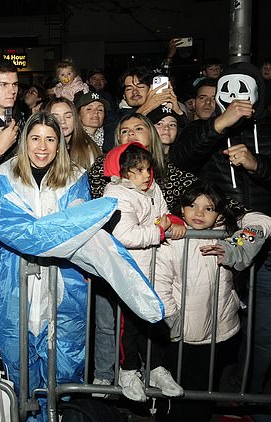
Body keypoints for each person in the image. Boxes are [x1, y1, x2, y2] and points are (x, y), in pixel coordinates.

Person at [0, 112, 164, 419]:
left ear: (60, 144)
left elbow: (83, 232)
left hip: (64, 286)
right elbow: (14, 226)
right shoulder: (3, 175)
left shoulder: (74, 176)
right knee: (19, 370)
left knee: (64, 369)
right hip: (14, 286)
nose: (42, 147)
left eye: (50, 139)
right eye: (35, 138)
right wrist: (53, 231)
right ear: (23, 141)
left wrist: (48, 231)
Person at [170, 62, 271, 398]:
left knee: (262, 335)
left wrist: (258, 165)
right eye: (229, 90)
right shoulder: (206, 130)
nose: (238, 98)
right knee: (218, 325)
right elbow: (182, 158)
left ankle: (249, 396)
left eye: (246, 89)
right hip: (218, 246)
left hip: (265, 248)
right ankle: (212, 393)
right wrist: (218, 125)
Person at [155, 181, 271, 422]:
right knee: (173, 397)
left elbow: (263, 224)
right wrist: (173, 324)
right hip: (180, 335)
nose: (199, 213)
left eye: (208, 208)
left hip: (217, 335)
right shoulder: (171, 240)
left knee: (203, 397)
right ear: (182, 209)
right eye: (193, 206)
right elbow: (160, 285)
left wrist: (235, 249)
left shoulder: (226, 234)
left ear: (218, 214)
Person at [102, 142, 185, 402]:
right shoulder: (115, 193)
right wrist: (159, 231)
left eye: (148, 169)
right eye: (138, 171)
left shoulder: (152, 188)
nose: (146, 175)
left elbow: (163, 214)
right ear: (124, 172)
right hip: (128, 271)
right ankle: (128, 372)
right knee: (129, 325)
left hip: (152, 268)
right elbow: (124, 234)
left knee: (153, 321)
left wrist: (171, 220)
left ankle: (155, 367)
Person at [44, 97, 101, 170]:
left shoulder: (87, 149)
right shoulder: (42, 149)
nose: (62, 121)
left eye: (68, 116)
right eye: (56, 118)